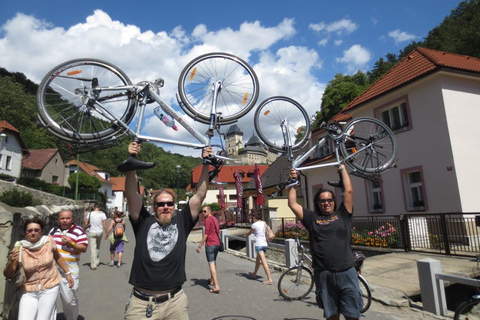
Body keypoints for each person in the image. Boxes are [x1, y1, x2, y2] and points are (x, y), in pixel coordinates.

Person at [124, 141, 212, 320]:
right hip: (142, 305)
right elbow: (131, 194)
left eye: (169, 203)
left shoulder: (183, 221)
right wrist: (132, 160)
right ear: (154, 206)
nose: (165, 207)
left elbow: (200, 194)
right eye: (161, 204)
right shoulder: (143, 222)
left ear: (174, 206)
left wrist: (206, 163)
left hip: (175, 304)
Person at [288, 165, 362, 320]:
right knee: (331, 316)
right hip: (324, 274)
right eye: (322, 201)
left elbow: (348, 191)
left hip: (346, 272)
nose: (326, 203)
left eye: (329, 200)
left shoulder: (343, 214)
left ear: (334, 202)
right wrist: (293, 181)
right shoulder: (312, 218)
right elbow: (292, 204)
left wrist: (342, 169)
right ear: (318, 203)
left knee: (352, 315)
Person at [3, 217, 74, 320]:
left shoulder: (49, 241)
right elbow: (8, 274)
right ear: (25, 233)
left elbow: (57, 257)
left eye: (37, 230)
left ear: (41, 231)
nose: (33, 233)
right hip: (29, 290)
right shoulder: (20, 248)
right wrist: (12, 261)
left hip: (50, 286)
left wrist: (68, 273)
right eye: (30, 230)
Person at [49, 210, 88, 320]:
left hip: (70, 272)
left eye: (67, 218)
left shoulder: (78, 231)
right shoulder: (53, 231)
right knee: (50, 300)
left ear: (72, 219)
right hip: (52, 272)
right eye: (62, 218)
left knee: (69, 301)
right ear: (58, 220)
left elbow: (84, 248)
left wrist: (71, 243)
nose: (65, 221)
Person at [243, 211, 273, 285]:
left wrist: (245, 235)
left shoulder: (254, 225)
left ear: (255, 217)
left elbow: (250, 232)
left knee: (264, 262)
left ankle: (269, 279)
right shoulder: (264, 223)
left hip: (259, 244)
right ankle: (254, 274)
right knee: (257, 260)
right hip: (265, 244)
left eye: (253, 216)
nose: (252, 218)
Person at [195, 206, 220, 293]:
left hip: (210, 244)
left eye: (205, 211)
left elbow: (206, 234)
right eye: (202, 211)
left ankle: (216, 286)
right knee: (214, 262)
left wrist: (199, 245)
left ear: (209, 211)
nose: (203, 213)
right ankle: (212, 280)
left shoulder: (207, 220)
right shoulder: (215, 219)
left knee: (211, 264)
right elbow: (218, 231)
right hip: (217, 244)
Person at [83, 204, 107, 270]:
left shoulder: (90, 213)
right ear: (99, 208)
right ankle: (97, 261)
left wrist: (84, 229)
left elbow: (86, 222)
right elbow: (104, 224)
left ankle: (93, 265)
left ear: (94, 208)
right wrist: (107, 232)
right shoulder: (102, 214)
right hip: (100, 232)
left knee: (93, 248)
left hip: (92, 232)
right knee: (98, 247)